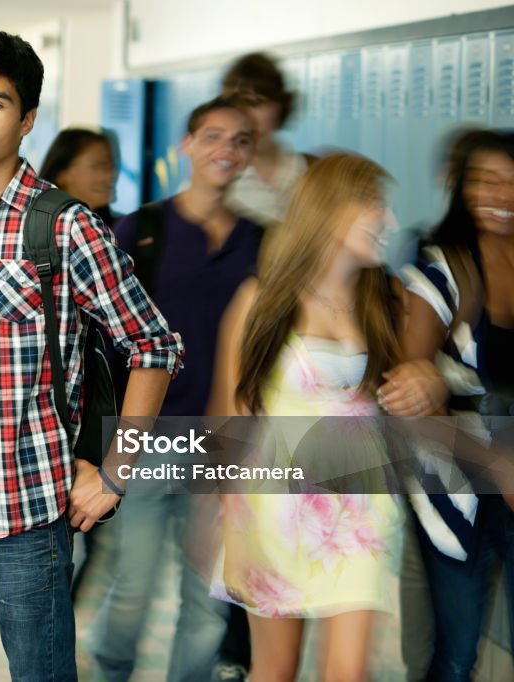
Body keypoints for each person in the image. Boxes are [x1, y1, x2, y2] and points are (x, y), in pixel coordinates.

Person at [0, 30, 183, 680]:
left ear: (27, 118)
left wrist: (114, 473)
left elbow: (155, 345)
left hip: (26, 510)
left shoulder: (63, 225)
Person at [210, 153, 404, 680]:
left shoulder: (382, 299)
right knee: (276, 669)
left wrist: (426, 383)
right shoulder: (262, 300)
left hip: (362, 512)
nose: (390, 222)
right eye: (376, 206)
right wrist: (232, 527)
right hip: (277, 513)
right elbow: (233, 419)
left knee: (348, 672)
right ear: (332, 209)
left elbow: (409, 386)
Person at [90, 95, 262, 682]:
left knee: (208, 597)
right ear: (185, 146)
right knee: (133, 583)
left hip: (224, 444)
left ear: (250, 155)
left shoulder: (261, 241)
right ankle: (112, 670)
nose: (226, 150)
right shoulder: (143, 230)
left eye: (240, 141)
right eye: (212, 136)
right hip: (148, 438)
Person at [384, 129, 514, 680]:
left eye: (512, 181)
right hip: (457, 484)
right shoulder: (441, 270)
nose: (500, 194)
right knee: (458, 653)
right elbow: (409, 400)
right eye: (485, 179)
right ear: (461, 186)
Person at [38, 126, 120, 602]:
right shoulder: (50, 234)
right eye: (98, 165)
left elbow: (149, 341)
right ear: (65, 170)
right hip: (70, 423)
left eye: (111, 165)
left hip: (124, 419)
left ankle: (76, 639)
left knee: (114, 550)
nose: (109, 176)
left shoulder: (120, 231)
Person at [221, 52, 310, 230]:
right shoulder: (216, 179)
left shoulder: (310, 171)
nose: (249, 119)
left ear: (281, 107)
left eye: (258, 103)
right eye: (239, 106)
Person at [39, 127, 119, 226]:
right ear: (61, 175)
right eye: (99, 166)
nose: (112, 175)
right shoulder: (35, 232)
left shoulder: (123, 231)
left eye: (111, 165)